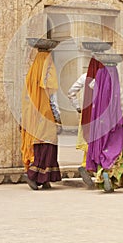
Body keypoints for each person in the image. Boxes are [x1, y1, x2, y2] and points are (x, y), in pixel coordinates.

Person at [86, 62, 123, 193]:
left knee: (103, 152)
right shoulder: (118, 91)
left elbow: (90, 85)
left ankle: (102, 173)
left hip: (99, 128)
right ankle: (109, 175)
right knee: (116, 153)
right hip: (115, 128)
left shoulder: (96, 86)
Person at [21, 50, 62, 190]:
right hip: (46, 117)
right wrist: (57, 117)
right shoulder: (48, 76)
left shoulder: (31, 76)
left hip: (33, 118)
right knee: (48, 146)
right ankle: (32, 174)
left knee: (39, 146)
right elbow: (53, 99)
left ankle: (44, 179)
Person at [67, 57, 104, 188]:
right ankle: (92, 169)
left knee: (88, 140)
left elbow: (71, 93)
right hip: (101, 115)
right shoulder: (105, 79)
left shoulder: (84, 77)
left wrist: (78, 107)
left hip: (86, 115)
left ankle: (86, 166)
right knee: (100, 142)